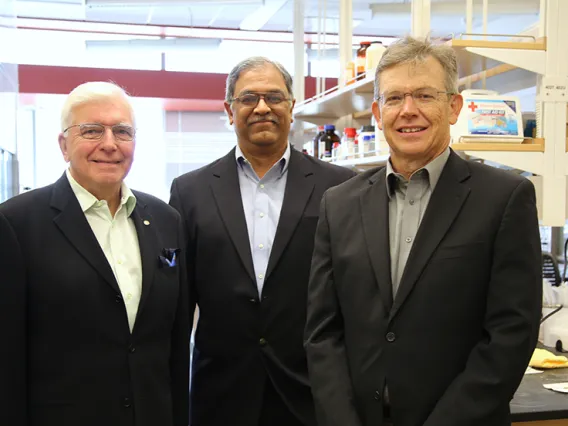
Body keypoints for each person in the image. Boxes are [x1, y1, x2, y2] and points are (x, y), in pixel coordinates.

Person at [305, 36, 542, 426]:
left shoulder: (504, 198)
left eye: (424, 96)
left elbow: (510, 335)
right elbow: (322, 332)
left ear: (453, 107)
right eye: (395, 99)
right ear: (378, 114)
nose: (408, 111)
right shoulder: (339, 204)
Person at [169, 57, 355, 426]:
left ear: (291, 106)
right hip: (219, 392)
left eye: (274, 97)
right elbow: (177, 301)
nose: (262, 107)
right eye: (248, 98)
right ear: (229, 109)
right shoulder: (190, 191)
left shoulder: (341, 187)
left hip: (310, 390)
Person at [0, 82, 189, 426]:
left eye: (122, 131)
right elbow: (7, 356)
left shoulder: (166, 220)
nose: (109, 144)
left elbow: (174, 345)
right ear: (63, 144)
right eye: (91, 130)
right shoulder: (16, 223)